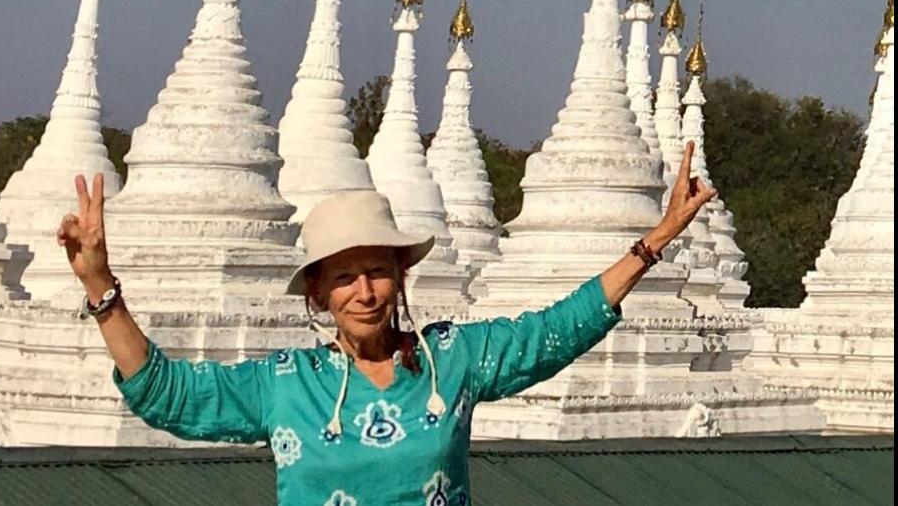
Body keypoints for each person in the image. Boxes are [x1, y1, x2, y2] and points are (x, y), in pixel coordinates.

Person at [57, 143, 716, 505]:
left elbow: (559, 329)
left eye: (378, 271)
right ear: (317, 294)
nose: (365, 293)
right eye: (344, 277)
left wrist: (657, 238)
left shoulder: (450, 361)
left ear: (401, 276)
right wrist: (98, 285)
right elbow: (166, 394)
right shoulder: (287, 385)